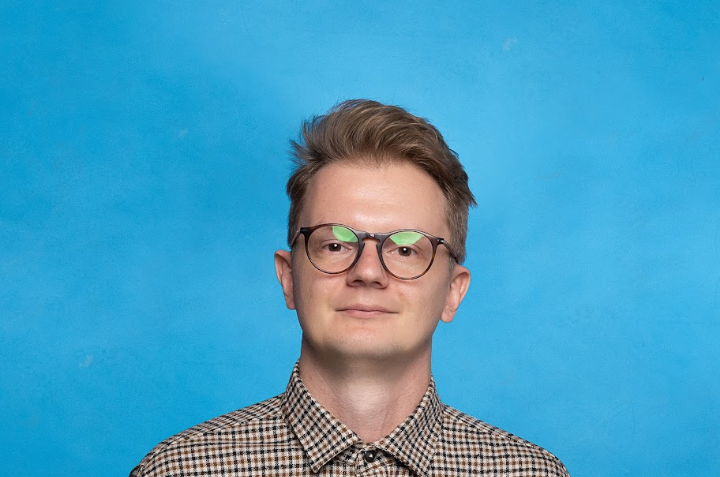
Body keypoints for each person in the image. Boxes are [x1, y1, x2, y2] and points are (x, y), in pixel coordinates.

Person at [130, 99, 570, 476]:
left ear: (453, 291)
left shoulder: (531, 473)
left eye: (405, 249)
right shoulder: (179, 470)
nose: (368, 271)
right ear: (288, 277)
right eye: (336, 244)